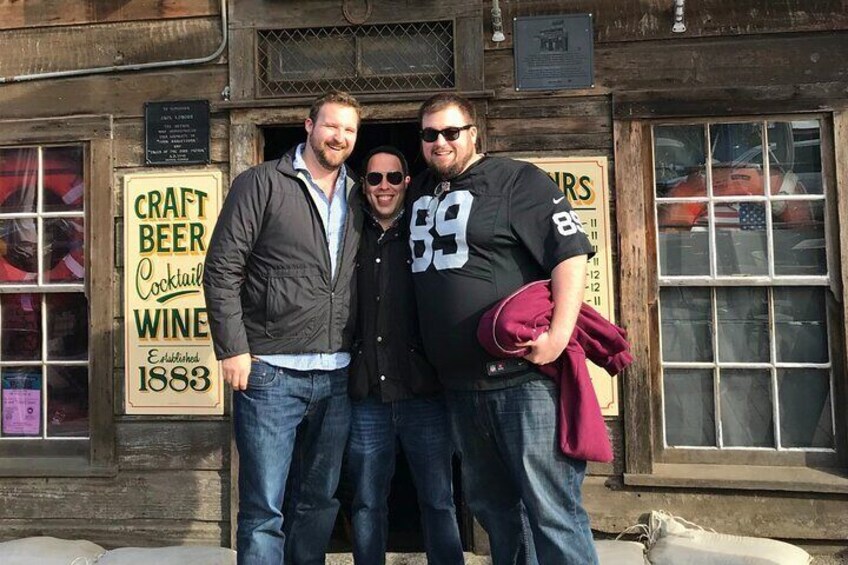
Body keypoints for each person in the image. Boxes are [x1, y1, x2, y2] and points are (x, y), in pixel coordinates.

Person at [407, 93, 599, 565]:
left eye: (452, 132)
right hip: (460, 389)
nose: (440, 142)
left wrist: (557, 336)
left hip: (521, 383)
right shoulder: (419, 191)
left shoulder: (519, 180)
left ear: (473, 134)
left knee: (552, 512)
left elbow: (570, 254)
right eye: (430, 134)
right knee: (494, 513)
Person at [203, 91, 363, 565]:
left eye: (350, 130)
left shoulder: (358, 191)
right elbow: (221, 269)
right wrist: (233, 348)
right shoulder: (261, 183)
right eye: (332, 126)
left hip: (337, 374)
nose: (340, 137)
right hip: (270, 372)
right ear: (309, 124)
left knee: (319, 501)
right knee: (262, 509)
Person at [345, 146, 464, 565]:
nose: (384, 187)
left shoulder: (428, 232)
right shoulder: (347, 235)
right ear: (363, 184)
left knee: (438, 500)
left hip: (424, 395)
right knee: (365, 503)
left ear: (407, 182)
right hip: (367, 396)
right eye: (374, 178)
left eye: (393, 178)